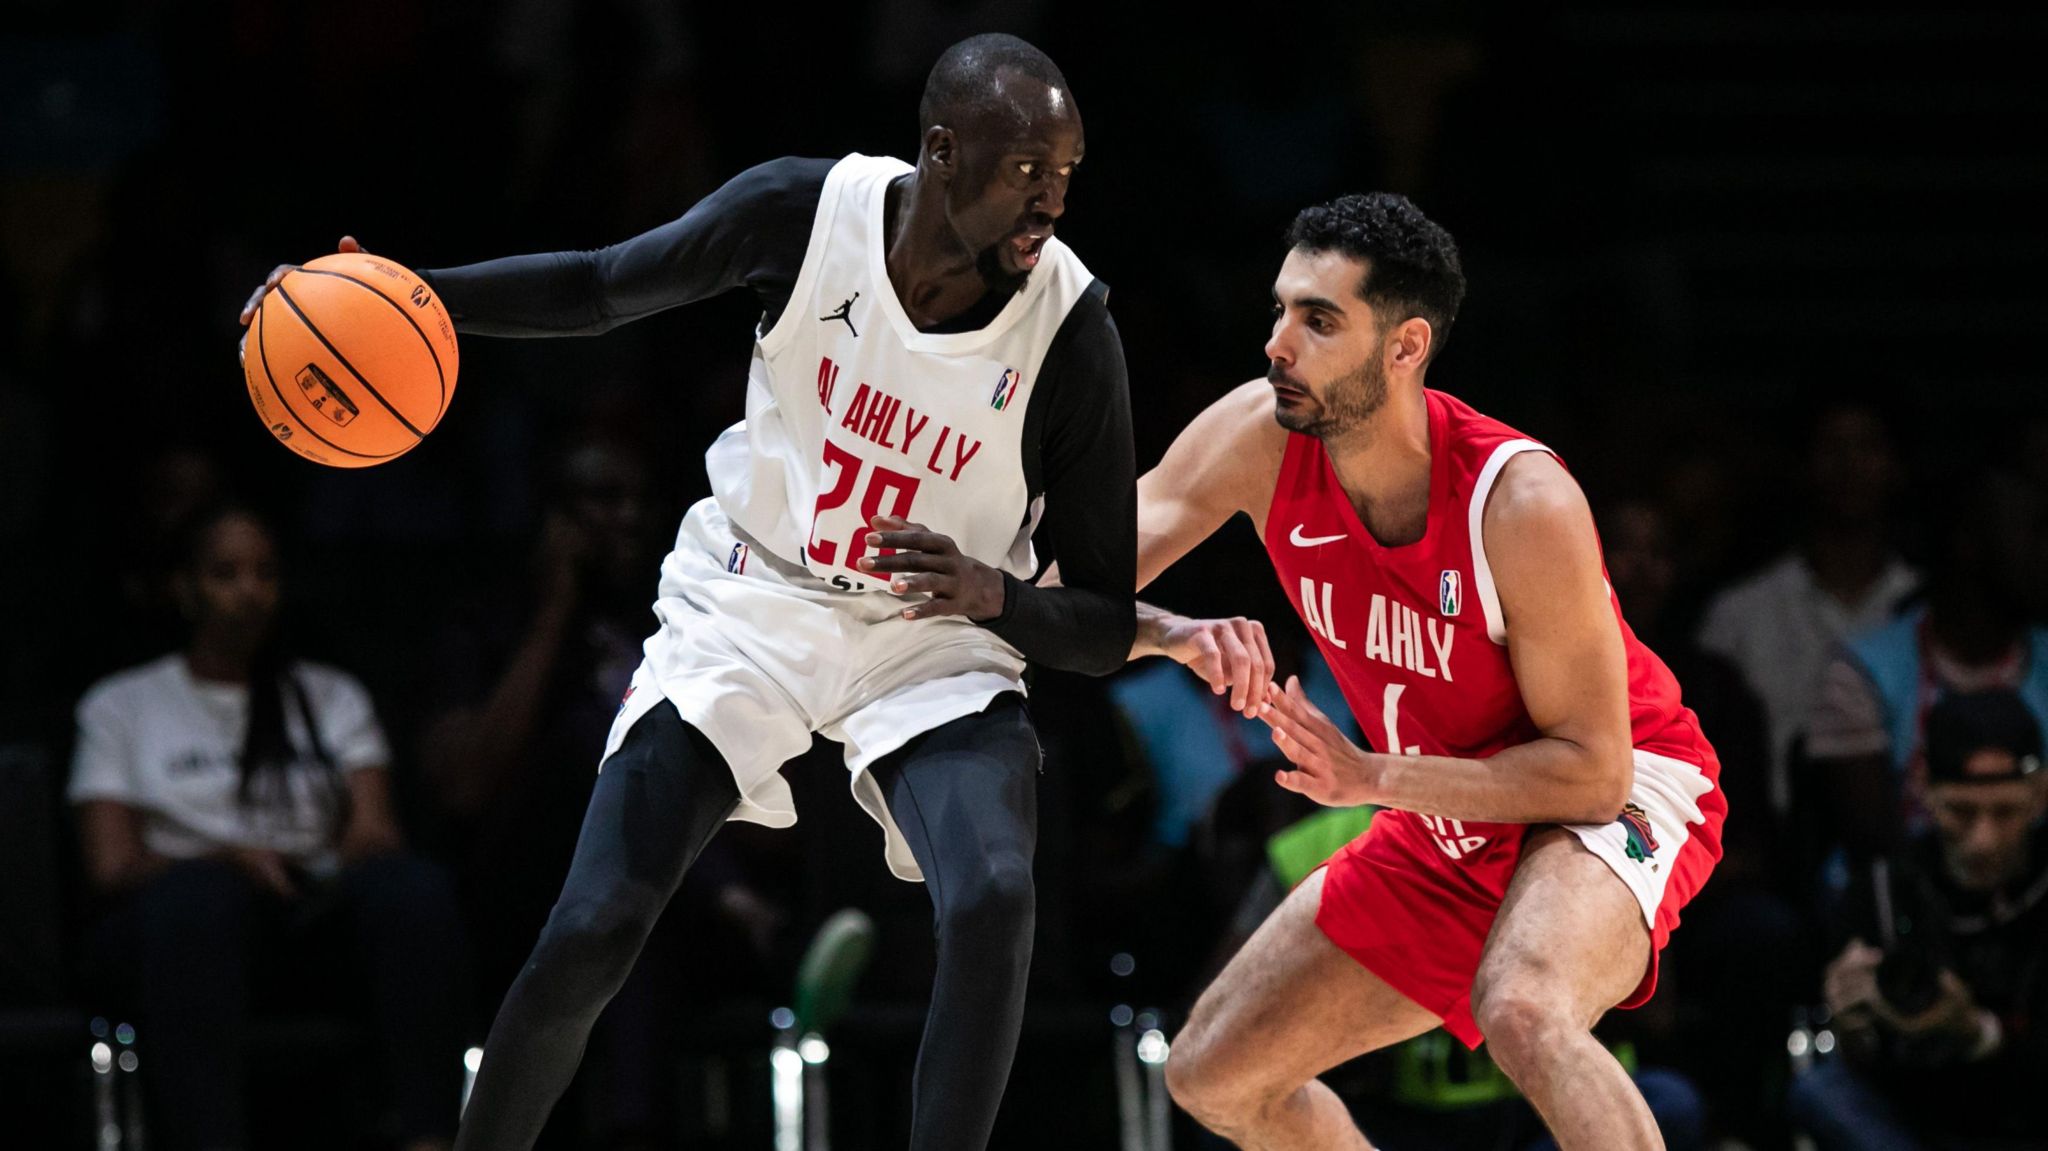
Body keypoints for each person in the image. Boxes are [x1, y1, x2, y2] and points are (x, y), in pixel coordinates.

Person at [239, 32, 1134, 1151]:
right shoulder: (801, 216)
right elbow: (600, 285)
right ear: (941, 150)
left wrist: (993, 594)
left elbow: (1100, 623)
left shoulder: (1072, 333)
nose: (1048, 200)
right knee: (595, 922)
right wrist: (404, 298)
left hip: (928, 633)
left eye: (1064, 173)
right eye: (1023, 172)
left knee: (996, 894)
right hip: (753, 599)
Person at [1099, 193, 1726, 1149]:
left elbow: (1592, 772)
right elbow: (1074, 586)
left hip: (1615, 786)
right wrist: (1170, 631)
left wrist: (1371, 778)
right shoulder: (1258, 436)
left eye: (1319, 320)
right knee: (1215, 1073)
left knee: (1523, 1009)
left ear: (1405, 346)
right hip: (1445, 812)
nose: (1278, 344)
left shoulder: (1519, 499)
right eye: (1280, 310)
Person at [69, 503, 466, 1151]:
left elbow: (374, 828)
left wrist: (335, 863)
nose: (248, 591)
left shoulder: (331, 695)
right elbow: (111, 864)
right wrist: (224, 857)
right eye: (225, 573)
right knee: (198, 905)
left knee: (412, 890)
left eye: (265, 573)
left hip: (305, 907)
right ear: (184, 587)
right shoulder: (122, 705)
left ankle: (431, 1135)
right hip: (181, 920)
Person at [1790, 688, 2048, 1149]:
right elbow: (1862, 1057)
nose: (1983, 840)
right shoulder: (1884, 890)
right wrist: (1854, 1026)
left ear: (2040, 795)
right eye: (1961, 812)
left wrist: (1977, 1032)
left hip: (2028, 1111)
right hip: (1915, 1117)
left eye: (2005, 812)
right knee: (1820, 1089)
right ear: (1924, 787)